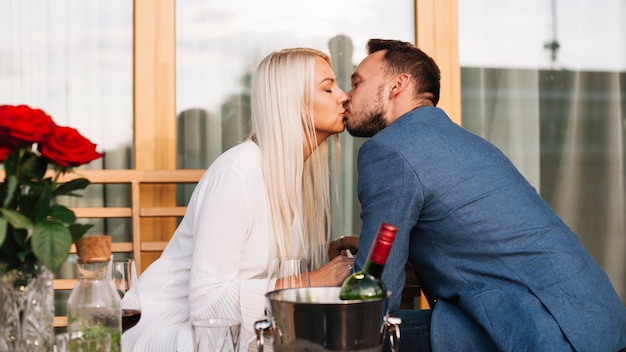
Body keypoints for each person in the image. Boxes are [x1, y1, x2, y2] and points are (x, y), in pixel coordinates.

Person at [343, 38, 626, 351]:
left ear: (398, 84)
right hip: (599, 322)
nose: (346, 96)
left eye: (357, 83)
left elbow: (378, 291)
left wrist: (309, 286)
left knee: (337, 338)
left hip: (541, 333)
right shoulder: (465, 143)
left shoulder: (389, 150)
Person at [122, 47, 355, 352]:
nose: (344, 96)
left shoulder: (289, 174)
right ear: (289, 103)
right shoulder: (238, 173)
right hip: (169, 330)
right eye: (328, 88)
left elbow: (260, 259)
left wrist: (333, 251)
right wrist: (309, 282)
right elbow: (208, 305)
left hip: (239, 332)